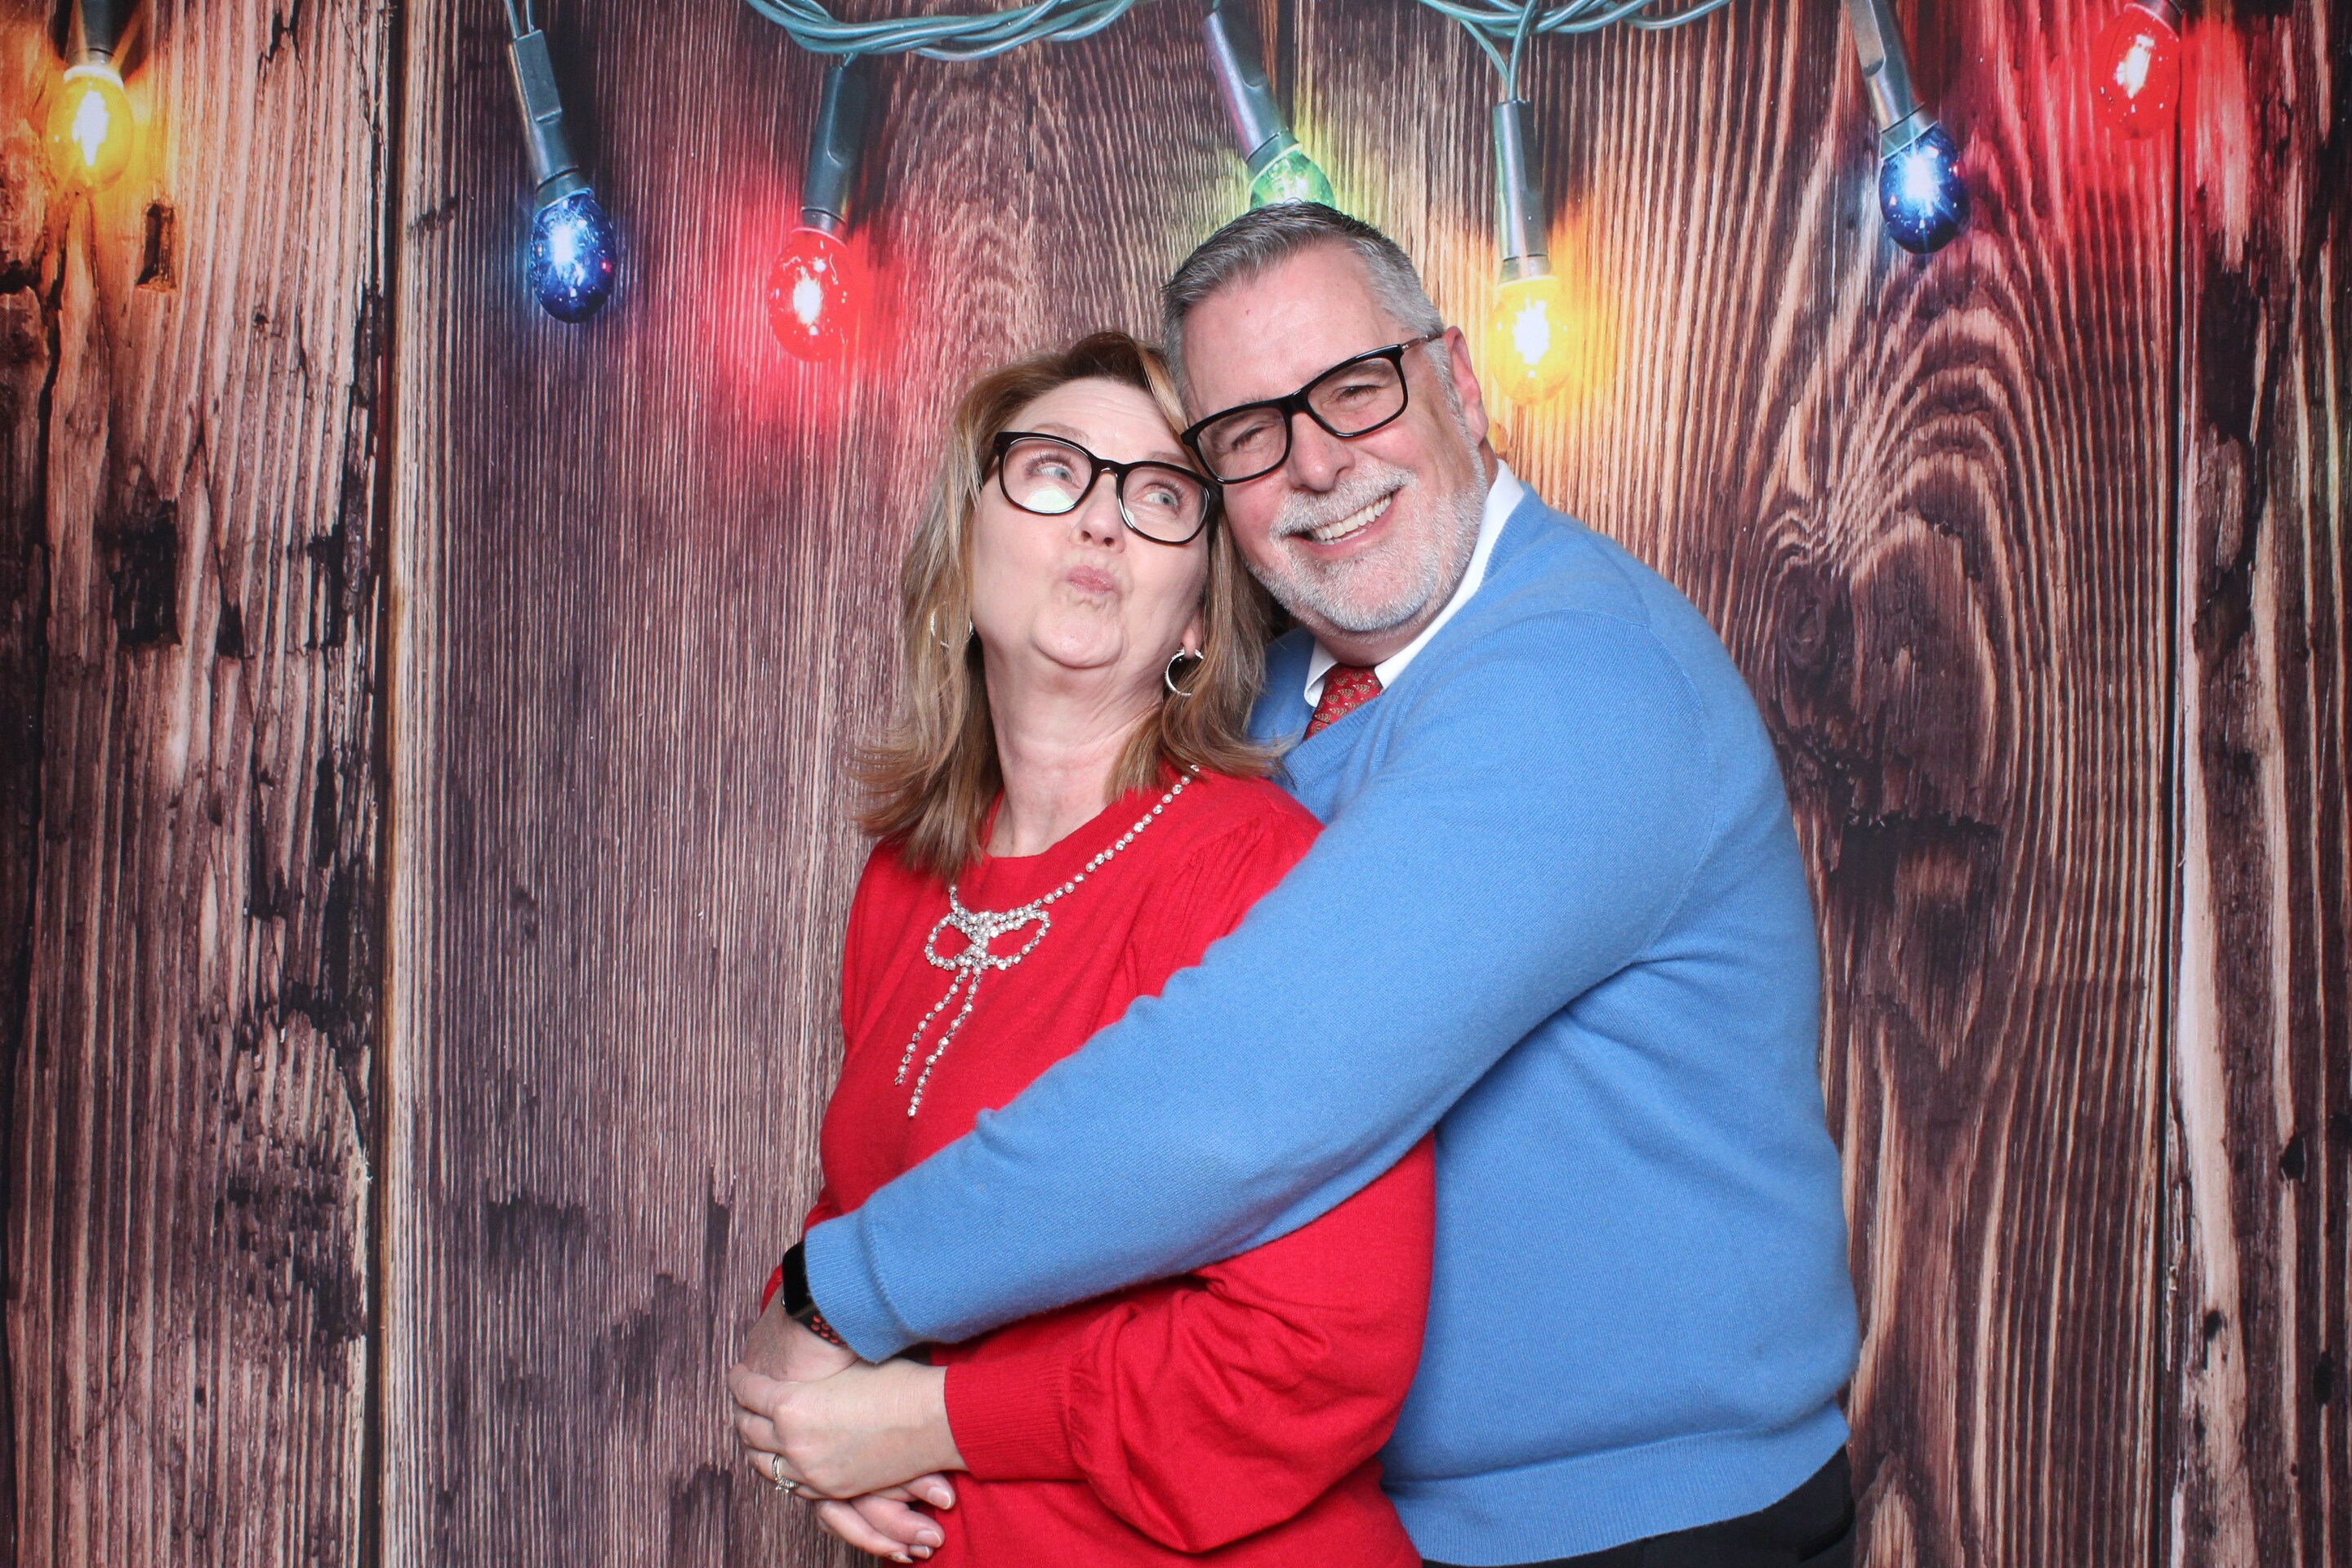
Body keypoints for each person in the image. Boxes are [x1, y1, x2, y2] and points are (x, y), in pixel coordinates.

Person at [737, 206, 1861, 1568]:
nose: (1320, 462)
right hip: (1405, 1521)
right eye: (1251, 435)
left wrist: (845, 1304)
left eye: (1357, 387)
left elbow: (1246, 1098)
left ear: (1459, 380)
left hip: (1649, 1523)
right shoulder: (1255, 713)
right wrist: (845, 1414)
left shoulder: (1583, 682)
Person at [729, 330, 1436, 1566]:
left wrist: (931, 1420)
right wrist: (804, 1409)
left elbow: (1313, 1356)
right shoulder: (906, 879)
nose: (1103, 520)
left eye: (1159, 497)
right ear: (966, 547)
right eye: (1054, 471)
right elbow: (871, 1204)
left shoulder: (1259, 876)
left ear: (1198, 613)